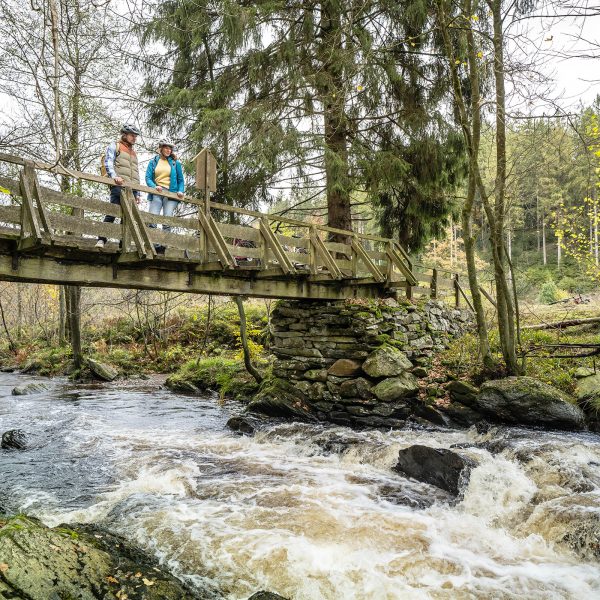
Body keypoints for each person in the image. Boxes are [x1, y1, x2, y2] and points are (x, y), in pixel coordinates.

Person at [95, 124, 142, 248]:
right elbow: (108, 162)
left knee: (128, 216)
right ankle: (101, 239)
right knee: (113, 211)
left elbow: (136, 172)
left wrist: (138, 193)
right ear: (124, 135)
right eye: (132, 135)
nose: (134, 138)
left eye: (135, 136)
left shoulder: (134, 153)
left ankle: (123, 243)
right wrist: (114, 176)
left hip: (132, 188)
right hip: (118, 185)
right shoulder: (115, 146)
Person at [145, 139, 185, 247]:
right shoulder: (153, 162)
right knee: (152, 218)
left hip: (171, 193)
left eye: (170, 148)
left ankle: (164, 245)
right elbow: (148, 178)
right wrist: (154, 186)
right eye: (166, 148)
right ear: (161, 148)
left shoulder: (175, 163)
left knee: (167, 219)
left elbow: (181, 180)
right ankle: (152, 245)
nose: (168, 150)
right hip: (157, 191)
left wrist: (180, 191)